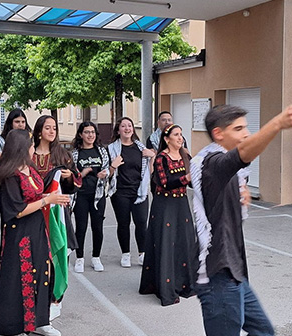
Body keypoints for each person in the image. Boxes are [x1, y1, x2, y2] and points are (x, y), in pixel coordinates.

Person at [190, 103, 292, 336]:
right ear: (218, 134)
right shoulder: (212, 163)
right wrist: (277, 124)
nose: (246, 134)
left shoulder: (231, 173)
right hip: (218, 274)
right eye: (239, 129)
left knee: (263, 331)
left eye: (246, 128)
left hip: (235, 272)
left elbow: (239, 165)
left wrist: (240, 192)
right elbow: (242, 155)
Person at [0, 129, 69, 336]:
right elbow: (16, 210)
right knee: (20, 278)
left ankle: (40, 320)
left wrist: (54, 196)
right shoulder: (10, 176)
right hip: (20, 235)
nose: (32, 148)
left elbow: (37, 194)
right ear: (21, 148)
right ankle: (15, 324)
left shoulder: (30, 169)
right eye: (30, 145)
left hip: (37, 229)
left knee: (43, 272)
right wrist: (48, 200)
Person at [139, 124, 198, 306]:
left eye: (181, 134)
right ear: (167, 139)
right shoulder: (161, 158)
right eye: (176, 135)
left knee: (184, 241)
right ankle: (165, 287)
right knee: (166, 243)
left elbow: (192, 184)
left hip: (181, 204)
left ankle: (184, 283)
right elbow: (164, 182)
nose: (180, 138)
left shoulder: (186, 156)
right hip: (165, 205)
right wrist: (185, 178)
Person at [32, 115, 82, 321]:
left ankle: (56, 299)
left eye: (54, 128)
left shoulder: (62, 154)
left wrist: (69, 178)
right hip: (34, 212)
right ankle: (37, 299)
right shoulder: (29, 154)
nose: (52, 132)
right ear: (39, 131)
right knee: (38, 256)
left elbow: (77, 180)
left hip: (57, 213)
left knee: (59, 253)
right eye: (47, 128)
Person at [108, 117, 154, 267]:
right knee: (123, 223)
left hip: (140, 191)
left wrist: (152, 156)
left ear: (133, 129)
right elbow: (106, 173)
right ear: (118, 130)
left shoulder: (141, 148)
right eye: (123, 126)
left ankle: (142, 253)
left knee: (141, 222)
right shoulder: (112, 149)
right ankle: (125, 254)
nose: (127, 128)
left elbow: (150, 171)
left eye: (129, 126)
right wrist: (113, 166)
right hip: (120, 192)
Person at [71, 121, 110, 273]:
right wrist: (83, 173)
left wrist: (104, 173)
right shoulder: (75, 153)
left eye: (92, 132)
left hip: (98, 194)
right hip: (80, 195)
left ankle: (96, 257)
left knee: (97, 227)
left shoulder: (101, 151)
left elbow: (107, 169)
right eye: (87, 132)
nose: (90, 135)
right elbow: (72, 175)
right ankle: (79, 258)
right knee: (81, 227)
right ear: (80, 134)